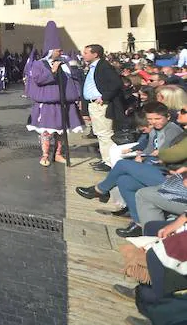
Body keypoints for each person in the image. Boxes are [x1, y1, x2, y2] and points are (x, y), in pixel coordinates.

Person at [76, 101, 186, 237]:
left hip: (169, 175)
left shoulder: (172, 130)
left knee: (123, 165)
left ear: (168, 117)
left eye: (157, 119)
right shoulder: (156, 130)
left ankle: (100, 190)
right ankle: (139, 222)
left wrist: (147, 158)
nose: (154, 122)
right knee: (124, 181)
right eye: (150, 119)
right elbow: (150, 149)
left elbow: (167, 156)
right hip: (155, 167)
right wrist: (142, 155)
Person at [26, 21, 84, 167]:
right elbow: (38, 80)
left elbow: (75, 78)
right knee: (46, 132)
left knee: (62, 132)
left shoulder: (65, 63)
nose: (61, 52)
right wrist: (52, 71)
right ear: (51, 51)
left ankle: (58, 154)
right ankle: (45, 154)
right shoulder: (39, 64)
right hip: (47, 105)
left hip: (64, 103)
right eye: (59, 50)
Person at [81, 44, 126, 172]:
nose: (83, 55)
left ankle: (111, 162)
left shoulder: (104, 66)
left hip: (100, 104)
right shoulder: (93, 67)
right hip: (93, 104)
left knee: (105, 134)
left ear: (95, 54)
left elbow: (116, 83)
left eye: (86, 52)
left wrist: (104, 96)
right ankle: (106, 159)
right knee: (100, 134)